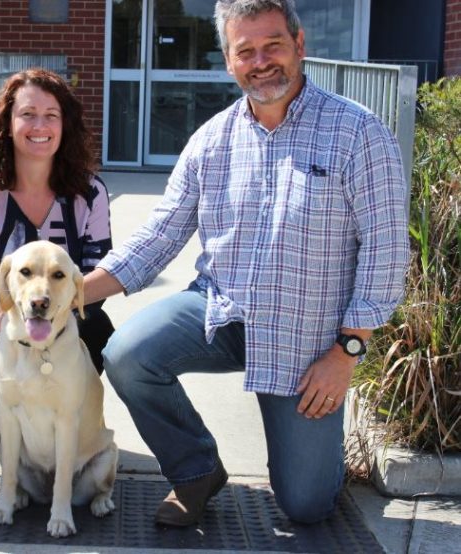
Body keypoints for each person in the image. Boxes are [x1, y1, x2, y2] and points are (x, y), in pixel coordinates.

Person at [82, 0, 410, 527]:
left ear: (300, 46)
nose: (261, 62)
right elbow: (157, 237)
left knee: (306, 505)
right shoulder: (211, 141)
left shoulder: (358, 133)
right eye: (246, 51)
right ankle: (196, 470)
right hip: (219, 308)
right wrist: (71, 294)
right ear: (230, 62)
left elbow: (386, 252)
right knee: (127, 353)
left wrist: (346, 354)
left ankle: (314, 455)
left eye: (273, 45)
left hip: (306, 339)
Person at [0, 68, 114, 455]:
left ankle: (54, 410)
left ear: (65, 125)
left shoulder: (89, 195)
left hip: (58, 319)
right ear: (7, 123)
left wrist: (52, 311)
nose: (39, 125)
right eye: (27, 114)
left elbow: (96, 272)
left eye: (51, 115)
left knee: (98, 332)